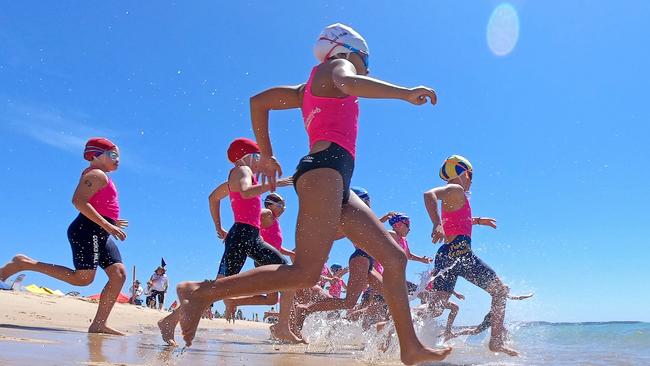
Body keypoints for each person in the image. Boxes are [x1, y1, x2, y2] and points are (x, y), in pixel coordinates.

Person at [175, 23, 451, 364]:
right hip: (324, 172)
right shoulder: (338, 67)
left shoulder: (307, 88)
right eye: (366, 60)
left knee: (394, 258)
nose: (366, 67)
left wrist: (268, 153)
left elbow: (258, 102)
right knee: (305, 272)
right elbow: (349, 83)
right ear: (349, 50)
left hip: (334, 178)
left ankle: (410, 348)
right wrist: (405, 92)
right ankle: (200, 292)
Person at [158, 138, 293, 345]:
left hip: (251, 235)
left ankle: (283, 327)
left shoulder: (239, 175)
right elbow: (246, 192)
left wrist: (218, 226)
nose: (259, 162)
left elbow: (213, 197)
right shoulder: (242, 171)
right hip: (241, 235)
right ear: (245, 156)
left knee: (285, 269)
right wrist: (275, 184)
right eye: (257, 156)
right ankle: (170, 321)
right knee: (217, 289)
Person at [0, 137, 128, 335]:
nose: (117, 159)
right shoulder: (96, 175)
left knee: (118, 274)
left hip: (100, 229)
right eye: (112, 155)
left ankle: (99, 324)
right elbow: (78, 201)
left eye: (118, 155)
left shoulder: (103, 176)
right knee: (83, 279)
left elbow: (98, 203)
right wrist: (106, 224)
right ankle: (24, 263)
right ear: (95, 156)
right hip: (88, 230)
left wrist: (111, 221)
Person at [423, 154, 517, 356]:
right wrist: (436, 223)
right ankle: (496, 342)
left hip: (447, 255)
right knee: (500, 291)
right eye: (471, 176)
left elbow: (459, 220)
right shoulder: (455, 189)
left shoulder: (456, 196)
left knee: (436, 309)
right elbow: (428, 194)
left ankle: (398, 325)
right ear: (465, 172)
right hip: (461, 255)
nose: (471, 181)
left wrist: (478, 221)